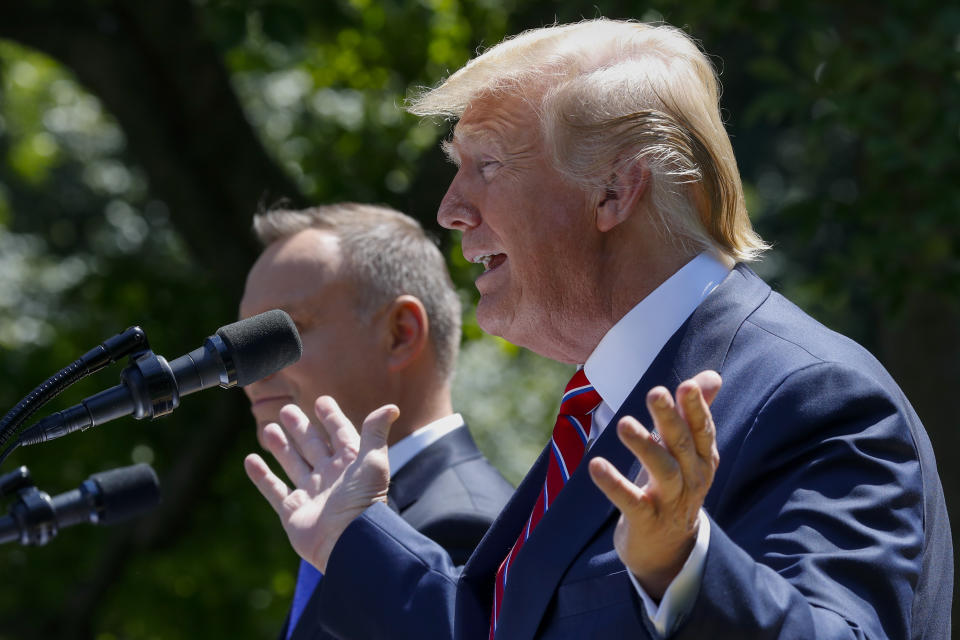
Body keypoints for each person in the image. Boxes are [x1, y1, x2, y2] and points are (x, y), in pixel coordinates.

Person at [244, 19, 953, 639]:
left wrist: (686, 566)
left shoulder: (813, 395)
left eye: (486, 164)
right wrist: (352, 538)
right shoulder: (607, 404)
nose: (451, 210)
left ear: (616, 189)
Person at [239, 203, 514, 639]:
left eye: (282, 333)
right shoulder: (347, 516)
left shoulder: (468, 525)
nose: (249, 369)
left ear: (400, 334)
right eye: (244, 344)